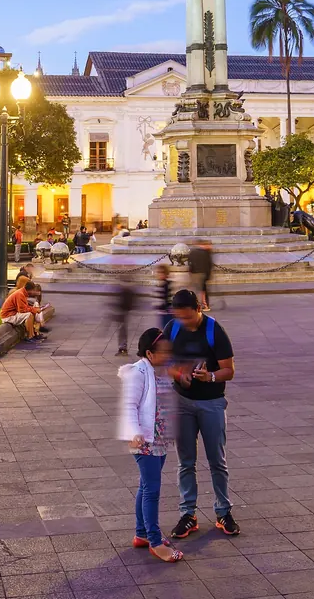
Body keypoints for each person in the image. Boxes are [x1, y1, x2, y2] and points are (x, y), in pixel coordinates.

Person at [165, 289, 239, 540]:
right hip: (182, 402)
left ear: (198, 309)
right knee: (186, 462)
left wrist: (211, 377)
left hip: (212, 403)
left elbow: (229, 370)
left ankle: (223, 511)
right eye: (180, 317)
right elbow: (163, 362)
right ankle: (188, 514)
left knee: (217, 460)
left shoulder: (213, 331)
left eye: (188, 317)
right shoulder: (172, 329)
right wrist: (179, 374)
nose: (184, 322)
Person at [119, 326, 183, 563]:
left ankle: (142, 534)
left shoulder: (159, 370)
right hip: (145, 440)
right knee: (153, 490)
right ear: (149, 353)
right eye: (163, 351)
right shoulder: (138, 373)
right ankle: (155, 542)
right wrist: (134, 432)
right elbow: (129, 405)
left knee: (146, 487)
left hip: (160, 440)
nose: (168, 355)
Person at [111, 278, 138, 356]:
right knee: (122, 331)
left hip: (122, 314)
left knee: (122, 331)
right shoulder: (126, 291)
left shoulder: (126, 292)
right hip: (122, 313)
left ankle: (123, 349)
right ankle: (122, 348)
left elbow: (125, 304)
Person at [187, 240, 214, 312]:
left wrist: (190, 272)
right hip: (203, 274)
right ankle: (204, 305)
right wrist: (208, 275)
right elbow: (209, 265)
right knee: (202, 290)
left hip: (194, 273)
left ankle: (195, 305)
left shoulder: (192, 252)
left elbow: (190, 263)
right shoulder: (206, 253)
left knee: (195, 290)